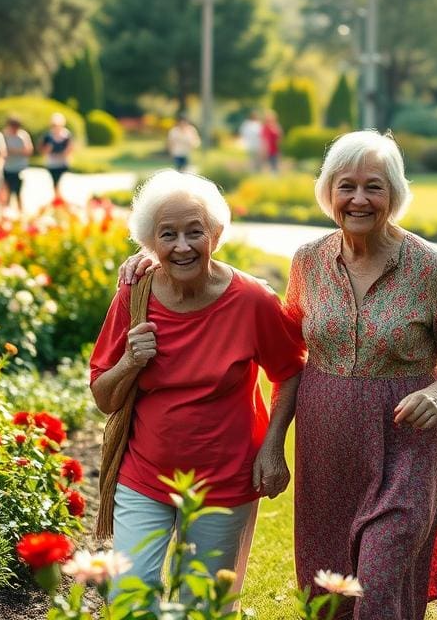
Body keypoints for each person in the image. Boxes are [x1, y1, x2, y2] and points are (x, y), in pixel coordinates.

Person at [120, 131, 437, 619]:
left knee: (379, 581)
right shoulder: (309, 262)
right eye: (347, 186)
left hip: (405, 442)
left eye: (374, 187)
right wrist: (161, 254)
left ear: (394, 194)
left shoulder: (427, 266)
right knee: (328, 589)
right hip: (326, 447)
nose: (358, 199)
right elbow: (282, 346)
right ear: (329, 193)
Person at [90, 170, 305, 598]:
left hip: (225, 480)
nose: (182, 246)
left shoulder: (252, 301)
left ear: (216, 235)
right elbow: (103, 396)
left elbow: (290, 370)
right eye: (167, 234)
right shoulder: (135, 296)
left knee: (202, 603)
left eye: (195, 232)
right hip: (144, 475)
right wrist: (131, 362)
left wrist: (272, 445)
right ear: (151, 242)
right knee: (130, 592)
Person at [1, 117, 33, 211]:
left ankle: (20, 211)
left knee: (18, 192)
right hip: (7, 167)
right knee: (7, 192)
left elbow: (28, 150)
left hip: (19, 167)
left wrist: (14, 151)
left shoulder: (23, 136)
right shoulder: (4, 136)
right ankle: (5, 212)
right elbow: (2, 151)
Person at [39, 113, 73, 201]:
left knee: (61, 184)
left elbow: (70, 148)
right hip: (52, 163)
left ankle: (60, 201)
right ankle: (58, 201)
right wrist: (48, 149)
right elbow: (42, 150)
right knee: (55, 184)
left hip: (63, 163)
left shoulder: (66, 135)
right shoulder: (48, 136)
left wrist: (64, 153)